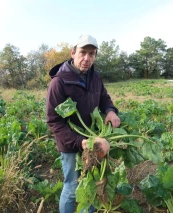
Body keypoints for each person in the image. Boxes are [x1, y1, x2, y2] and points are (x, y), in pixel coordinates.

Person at [46, 34, 121, 213]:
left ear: (95, 56)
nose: (87, 58)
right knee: (72, 187)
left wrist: (110, 110)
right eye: (83, 53)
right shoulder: (59, 82)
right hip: (71, 143)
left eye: (92, 54)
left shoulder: (95, 78)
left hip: (93, 141)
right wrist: (80, 141)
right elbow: (54, 121)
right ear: (73, 53)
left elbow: (104, 99)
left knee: (93, 185)